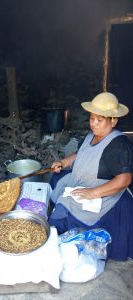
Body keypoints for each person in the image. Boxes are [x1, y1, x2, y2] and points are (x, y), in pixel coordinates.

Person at [48, 92, 133, 261]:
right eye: (92, 118)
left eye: (99, 120)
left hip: (106, 194)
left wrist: (92, 193)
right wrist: (65, 162)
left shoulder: (119, 145)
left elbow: (124, 179)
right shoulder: (91, 136)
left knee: (65, 208)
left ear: (113, 120)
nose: (93, 124)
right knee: (56, 180)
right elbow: (80, 153)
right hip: (85, 182)